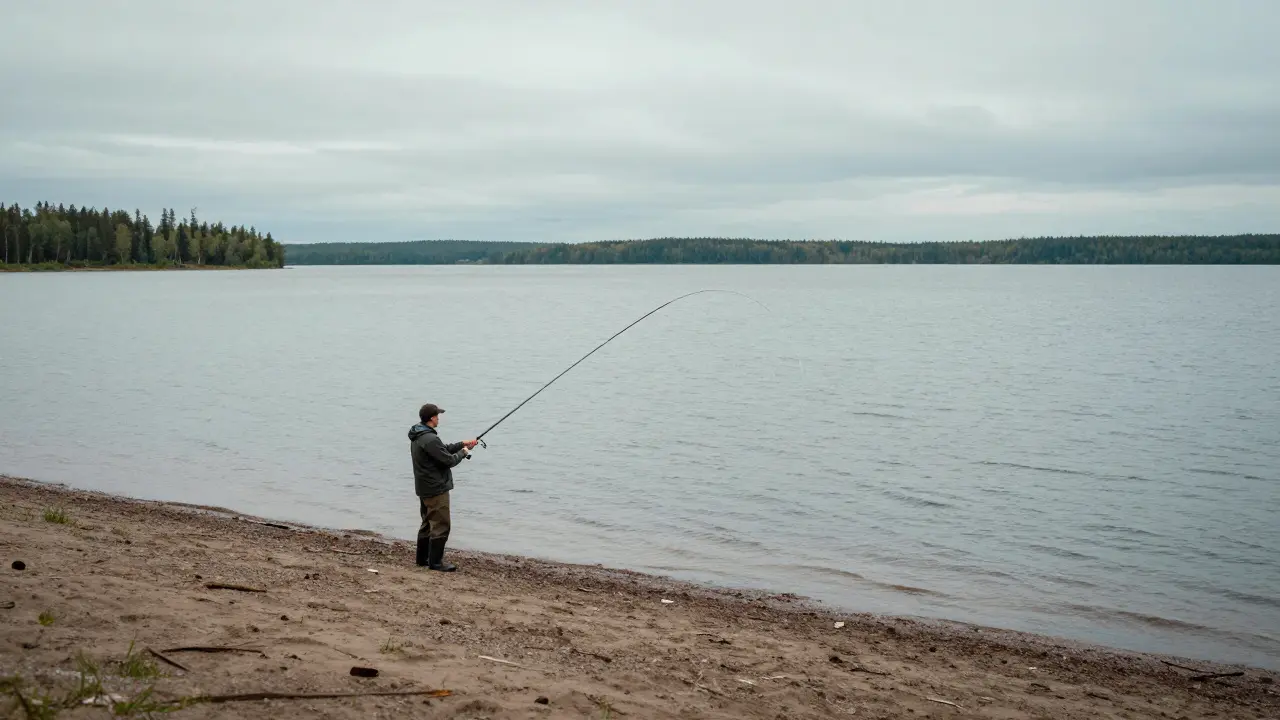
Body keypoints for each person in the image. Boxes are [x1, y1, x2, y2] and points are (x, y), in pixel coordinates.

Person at [408, 403, 478, 572]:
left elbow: (442, 450)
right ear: (432, 418)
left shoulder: (419, 434)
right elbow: (448, 460)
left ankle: (422, 559)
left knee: (427, 523)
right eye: (437, 416)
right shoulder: (430, 438)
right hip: (436, 489)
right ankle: (436, 563)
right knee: (441, 525)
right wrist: (464, 452)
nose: (439, 419)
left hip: (424, 487)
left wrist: (462, 444)